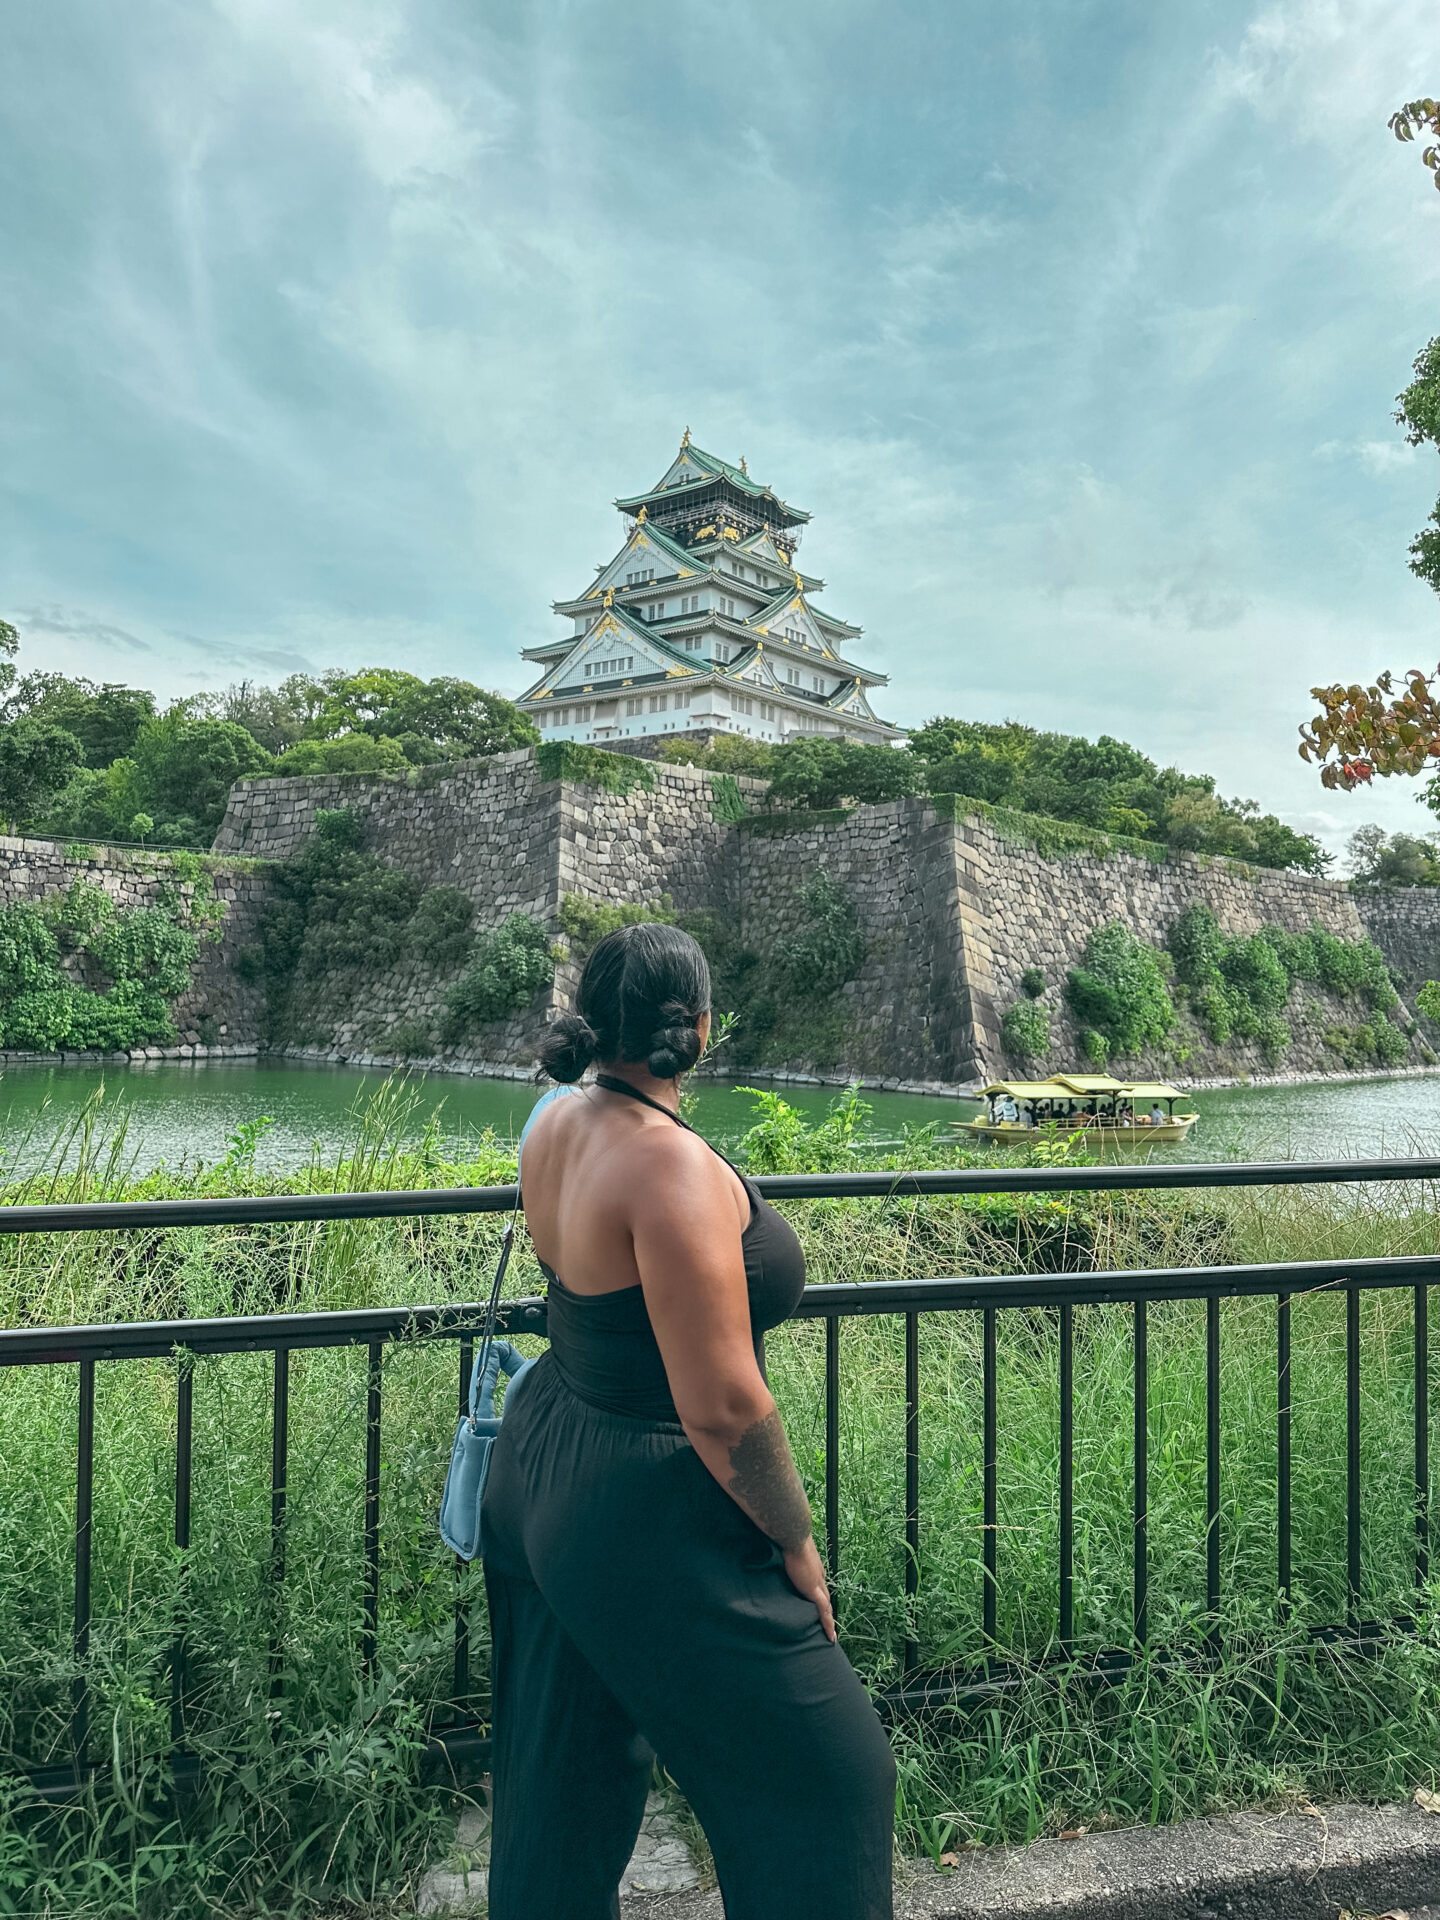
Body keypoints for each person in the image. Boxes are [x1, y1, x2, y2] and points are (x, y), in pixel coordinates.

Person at [481, 923, 895, 1920]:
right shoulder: (666, 1168)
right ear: (702, 1028)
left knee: (560, 1784)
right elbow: (720, 1403)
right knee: (833, 1779)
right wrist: (794, 1543)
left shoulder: (553, 1120)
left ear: (594, 1016)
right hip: (645, 1500)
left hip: (544, 1459)